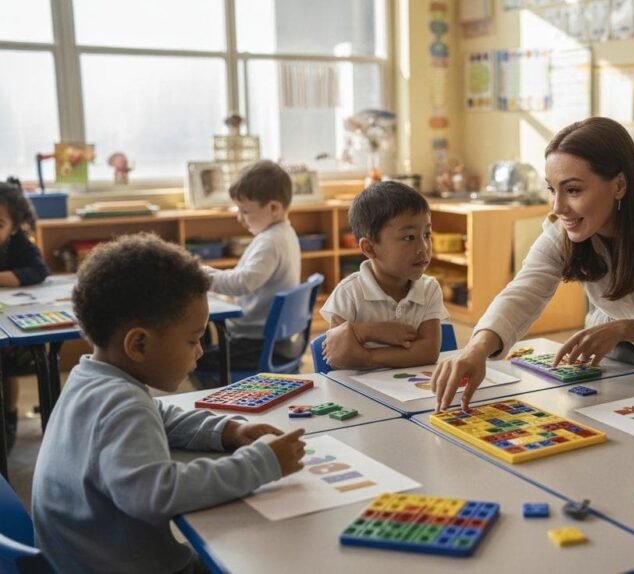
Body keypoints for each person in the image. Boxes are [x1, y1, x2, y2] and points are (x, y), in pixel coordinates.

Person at [32, 233, 306, 574]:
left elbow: (156, 414)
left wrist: (227, 430)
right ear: (139, 344)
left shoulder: (90, 378)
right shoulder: (122, 404)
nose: (200, 351)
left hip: (81, 558)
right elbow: (158, 494)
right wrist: (262, 463)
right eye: (193, 339)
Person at [431, 117, 634, 411]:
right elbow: (523, 291)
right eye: (552, 189)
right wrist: (476, 349)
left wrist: (621, 330)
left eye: (572, 190)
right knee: (613, 420)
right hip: (614, 346)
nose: (558, 207)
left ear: (619, 184)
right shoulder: (564, 230)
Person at [319, 181, 448, 369]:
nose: (423, 248)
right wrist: (371, 331)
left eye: (426, 235)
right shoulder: (349, 293)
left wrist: (367, 357)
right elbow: (338, 354)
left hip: (410, 392)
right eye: (409, 237)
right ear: (369, 248)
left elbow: (428, 351)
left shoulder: (429, 289)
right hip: (359, 393)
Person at [195, 161, 302, 386]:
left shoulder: (270, 242)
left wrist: (203, 275)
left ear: (274, 208)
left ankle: (220, 403)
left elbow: (244, 282)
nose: (239, 217)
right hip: (280, 341)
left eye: (245, 211)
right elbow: (246, 277)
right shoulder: (283, 233)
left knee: (194, 360)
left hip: (259, 344)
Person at [0, 177, 50, 453]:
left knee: (6, 372)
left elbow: (39, 270)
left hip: (12, 330)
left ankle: (8, 420)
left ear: (15, 226)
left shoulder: (19, 245)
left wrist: (4, 278)